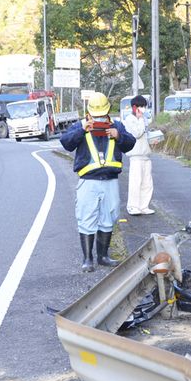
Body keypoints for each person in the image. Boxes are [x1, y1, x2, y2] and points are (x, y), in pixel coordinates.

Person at [61, 92, 136, 272]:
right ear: (89, 112)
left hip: (110, 180)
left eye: (102, 115)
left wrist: (119, 136)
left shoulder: (117, 125)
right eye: (97, 115)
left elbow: (130, 143)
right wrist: (82, 130)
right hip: (89, 181)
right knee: (86, 217)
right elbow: (66, 142)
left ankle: (103, 256)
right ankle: (87, 259)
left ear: (108, 110)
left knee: (108, 218)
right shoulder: (79, 125)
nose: (99, 119)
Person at [123, 94, 155, 216]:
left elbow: (145, 135)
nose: (143, 109)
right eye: (141, 106)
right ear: (135, 107)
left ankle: (144, 206)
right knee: (136, 182)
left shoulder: (144, 119)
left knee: (147, 182)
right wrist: (140, 119)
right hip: (135, 155)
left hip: (146, 155)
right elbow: (136, 133)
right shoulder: (130, 119)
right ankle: (133, 206)